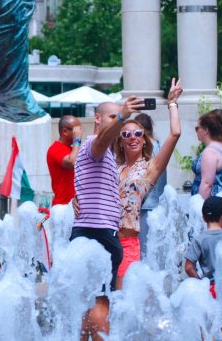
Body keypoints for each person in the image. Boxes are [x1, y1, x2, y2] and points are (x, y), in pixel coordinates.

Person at [70, 96, 142, 340]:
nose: (118, 122)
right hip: (98, 234)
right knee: (101, 301)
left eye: (119, 118)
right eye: (113, 117)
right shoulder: (93, 143)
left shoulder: (105, 155)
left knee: (90, 302)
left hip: (91, 233)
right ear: (97, 119)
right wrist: (122, 115)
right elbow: (101, 140)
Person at [114, 80, 183, 288]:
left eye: (138, 134)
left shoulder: (149, 169)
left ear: (145, 140)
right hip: (105, 241)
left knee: (122, 298)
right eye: (126, 134)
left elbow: (175, 134)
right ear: (120, 141)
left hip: (127, 243)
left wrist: (172, 104)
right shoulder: (113, 167)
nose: (132, 137)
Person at [184, 196, 222, 296]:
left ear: (204, 218)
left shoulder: (199, 240)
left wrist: (200, 284)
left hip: (210, 289)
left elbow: (188, 267)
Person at [133, 113, 166, 255]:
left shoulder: (145, 148)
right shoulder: (159, 145)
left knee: (144, 249)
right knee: (156, 248)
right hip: (158, 203)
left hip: (145, 204)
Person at [190, 110, 222, 198]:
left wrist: (201, 207)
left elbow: (207, 184)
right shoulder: (221, 146)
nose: (196, 131)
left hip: (209, 201)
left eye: (197, 128)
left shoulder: (210, 152)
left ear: (206, 130)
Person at [46, 115, 82, 206]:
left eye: (80, 130)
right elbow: (71, 162)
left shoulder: (73, 150)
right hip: (63, 206)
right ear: (65, 131)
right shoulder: (55, 148)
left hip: (76, 205)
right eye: (76, 130)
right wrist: (77, 140)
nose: (79, 133)